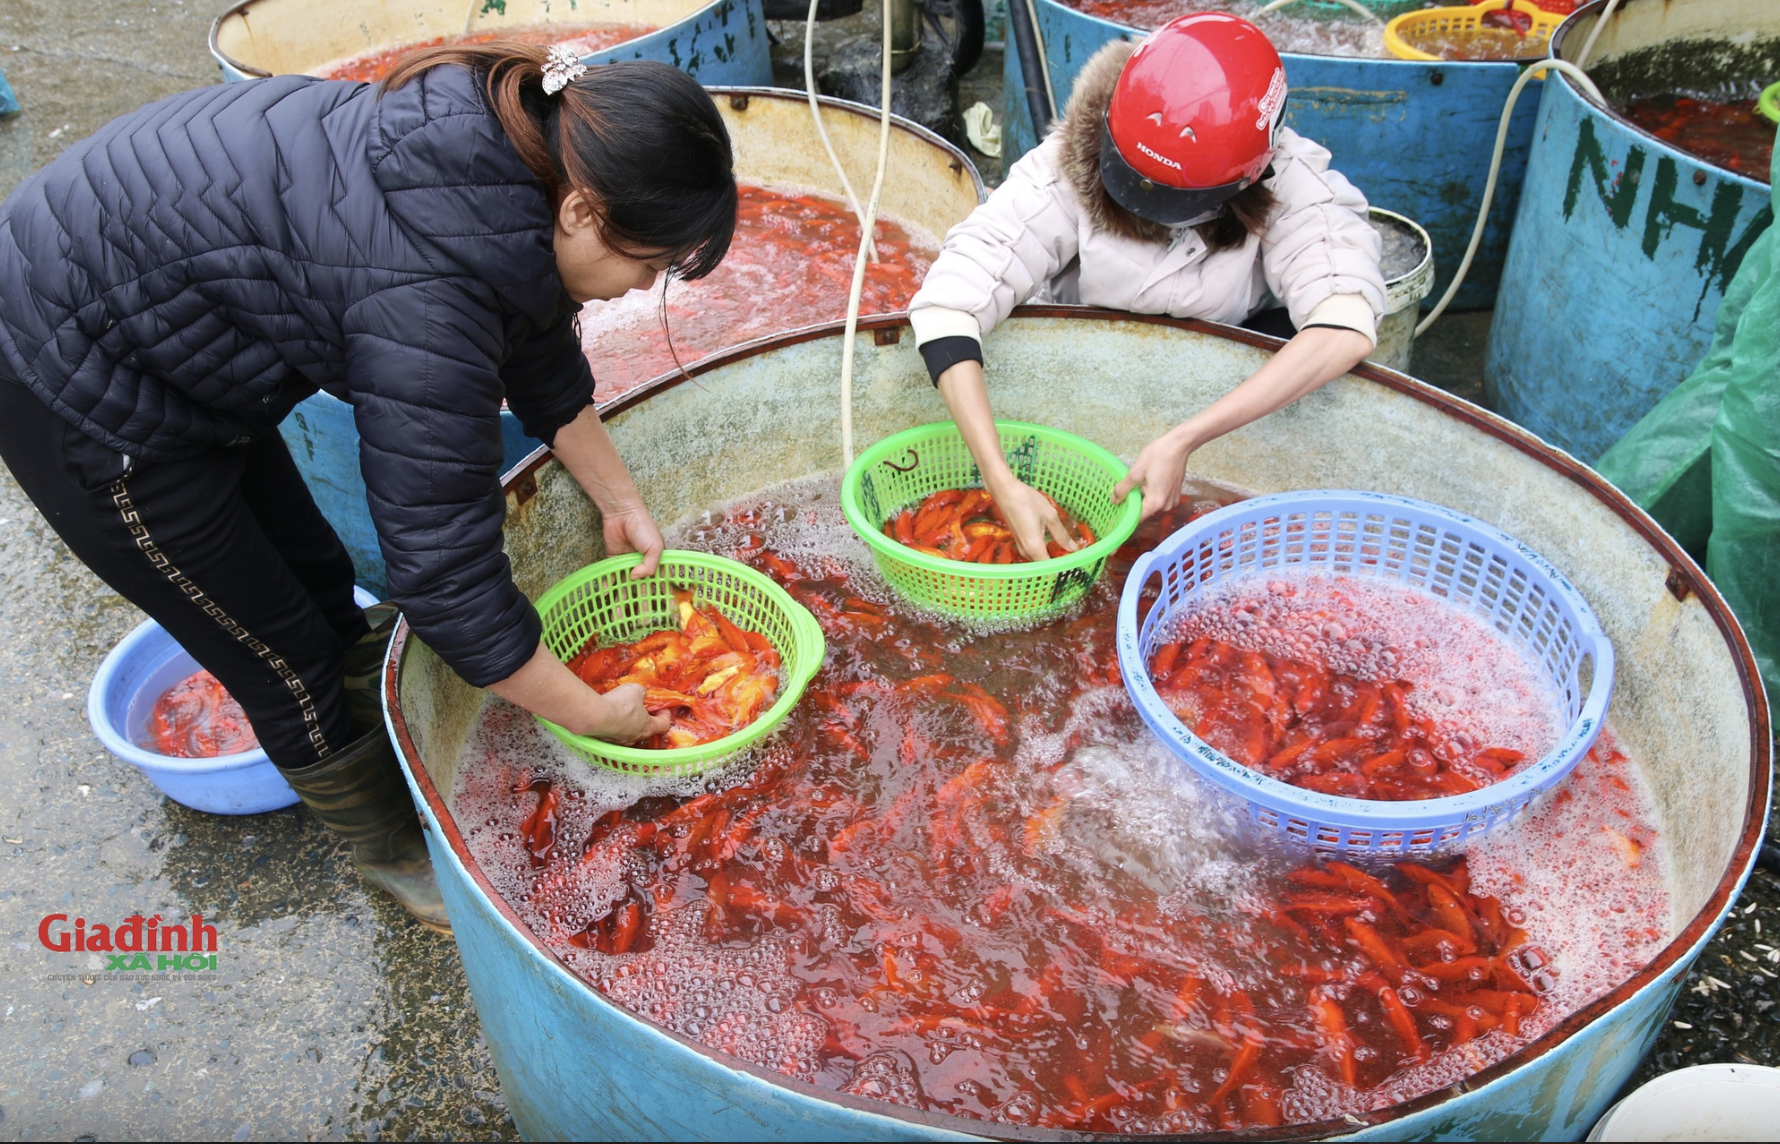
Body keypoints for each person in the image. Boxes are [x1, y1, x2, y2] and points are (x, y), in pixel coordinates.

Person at [0, 46, 737, 931]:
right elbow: (444, 578)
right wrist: (596, 713)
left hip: (165, 337)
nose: (644, 287)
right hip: (73, 384)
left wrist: (620, 498)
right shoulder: (427, 294)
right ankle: (389, 849)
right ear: (583, 208)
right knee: (280, 654)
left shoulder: (508, 157)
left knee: (315, 575)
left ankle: (370, 726)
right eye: (648, 264)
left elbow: (535, 337)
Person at [908, 13, 1386, 557]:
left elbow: (1344, 325)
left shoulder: (1294, 182)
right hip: (1077, 367)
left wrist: (1188, 437)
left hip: (1221, 377)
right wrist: (998, 476)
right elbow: (948, 304)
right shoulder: (1065, 165)